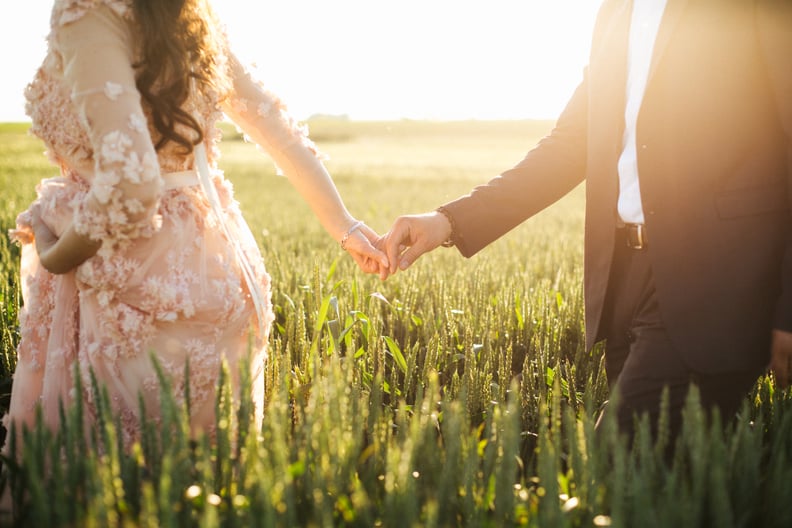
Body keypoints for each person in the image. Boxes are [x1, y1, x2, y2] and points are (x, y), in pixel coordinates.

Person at [382, 0, 792, 440]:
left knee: (620, 462)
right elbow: (570, 144)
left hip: (715, 283)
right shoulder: (615, 11)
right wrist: (448, 220)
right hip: (623, 282)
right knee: (659, 488)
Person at [2, 0, 388, 448]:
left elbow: (131, 185)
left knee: (113, 490)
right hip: (215, 261)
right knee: (207, 481)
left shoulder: (88, 10)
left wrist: (54, 254)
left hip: (117, 270)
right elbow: (277, 129)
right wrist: (346, 225)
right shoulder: (188, 10)